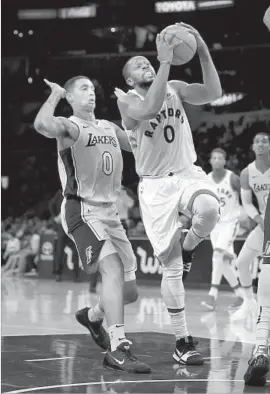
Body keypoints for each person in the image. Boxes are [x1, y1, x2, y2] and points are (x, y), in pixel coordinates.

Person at [115, 23, 222, 364]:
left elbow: (212, 93)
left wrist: (202, 48)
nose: (145, 64)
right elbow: (149, 109)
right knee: (171, 268)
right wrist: (163, 62)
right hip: (156, 186)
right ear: (130, 80)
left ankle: (190, 244)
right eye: (138, 66)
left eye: (147, 62)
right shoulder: (126, 100)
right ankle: (181, 341)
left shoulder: (174, 86)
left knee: (209, 209)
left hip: (186, 172)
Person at [34, 75, 151, 373]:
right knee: (111, 268)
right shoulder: (70, 127)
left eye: (92, 88)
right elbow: (41, 125)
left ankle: (94, 315)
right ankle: (118, 346)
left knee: (130, 292)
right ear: (70, 98)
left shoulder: (109, 127)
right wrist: (54, 96)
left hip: (110, 212)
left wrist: (135, 106)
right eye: (82, 89)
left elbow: (141, 144)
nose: (91, 93)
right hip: (81, 208)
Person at [243, 8, 270, 386]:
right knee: (263, 265)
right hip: (263, 219)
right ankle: (262, 347)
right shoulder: (250, 171)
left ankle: (263, 346)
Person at [231, 132, 270, 322]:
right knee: (241, 263)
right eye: (257, 141)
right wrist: (258, 218)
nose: (261, 144)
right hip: (264, 224)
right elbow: (246, 202)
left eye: (265, 141)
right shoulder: (247, 173)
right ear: (253, 147)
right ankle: (248, 303)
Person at [201, 148, 243, 311]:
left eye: (220, 158)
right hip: (215, 225)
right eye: (214, 158)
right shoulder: (206, 180)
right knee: (223, 262)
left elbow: (246, 194)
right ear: (210, 161)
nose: (217, 160)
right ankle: (241, 295)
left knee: (217, 255)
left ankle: (212, 295)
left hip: (230, 223)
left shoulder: (232, 178)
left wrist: (247, 212)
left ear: (225, 161)